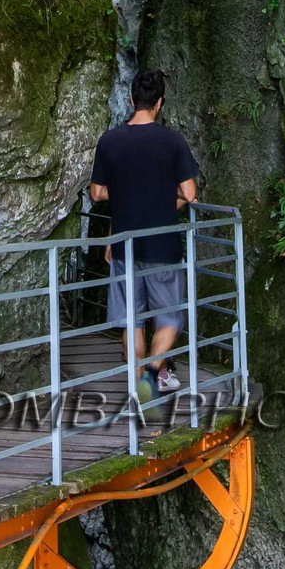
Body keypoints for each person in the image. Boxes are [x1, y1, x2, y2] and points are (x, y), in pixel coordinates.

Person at [89, 70, 200, 396]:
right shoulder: (172, 141)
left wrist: (129, 192)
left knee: (132, 320)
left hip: (124, 245)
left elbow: (97, 192)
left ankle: (138, 388)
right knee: (169, 318)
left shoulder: (109, 140)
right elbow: (189, 193)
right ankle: (150, 376)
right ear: (159, 103)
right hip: (162, 246)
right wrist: (160, 194)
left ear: (131, 99)